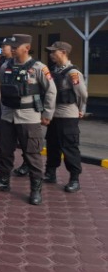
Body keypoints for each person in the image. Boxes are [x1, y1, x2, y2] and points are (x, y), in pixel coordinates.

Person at [0, 34, 57, 205]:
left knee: (32, 154)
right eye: (10, 47)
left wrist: (47, 114)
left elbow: (51, 91)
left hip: (29, 117)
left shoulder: (39, 68)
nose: (11, 50)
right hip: (7, 116)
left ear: (26, 48)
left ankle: (35, 189)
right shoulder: (5, 66)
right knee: (4, 151)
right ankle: (3, 180)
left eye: (15, 47)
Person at [44, 41, 88, 193]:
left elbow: (82, 94)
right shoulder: (53, 70)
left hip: (67, 115)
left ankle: (74, 179)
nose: (51, 55)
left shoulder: (73, 73)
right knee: (52, 145)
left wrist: (80, 109)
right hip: (53, 115)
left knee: (69, 147)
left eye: (53, 52)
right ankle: (50, 173)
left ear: (63, 52)